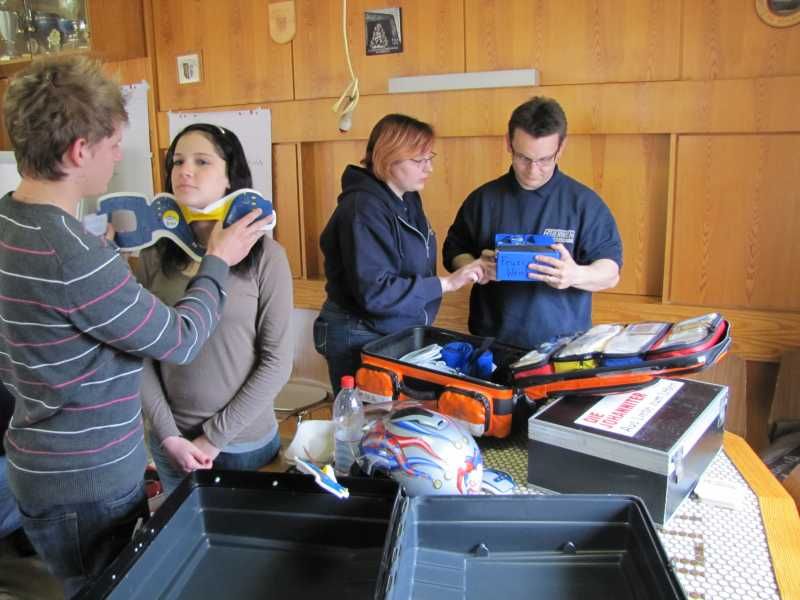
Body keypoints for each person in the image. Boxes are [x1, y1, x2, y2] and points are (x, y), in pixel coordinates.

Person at [0, 55, 265, 597]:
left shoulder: (12, 219)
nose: (120, 155)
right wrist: (217, 260)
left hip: (39, 466)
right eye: (115, 144)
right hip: (87, 483)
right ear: (80, 151)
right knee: (106, 587)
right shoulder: (75, 256)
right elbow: (181, 339)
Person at [133, 124, 293, 494]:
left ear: (229, 179)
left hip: (241, 445)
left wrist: (213, 438)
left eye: (202, 161)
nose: (184, 171)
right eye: (177, 161)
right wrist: (169, 436)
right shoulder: (153, 255)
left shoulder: (266, 256)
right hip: (172, 444)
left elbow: (277, 362)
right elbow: (140, 353)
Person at [314, 114, 485, 394]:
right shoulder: (362, 209)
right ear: (387, 158)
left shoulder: (406, 198)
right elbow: (376, 293)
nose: (428, 168)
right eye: (418, 161)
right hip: (359, 332)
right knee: (363, 426)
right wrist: (447, 283)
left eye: (430, 158)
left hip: (390, 329)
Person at [442, 96, 623, 349]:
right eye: (523, 158)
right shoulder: (483, 199)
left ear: (561, 148)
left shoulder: (584, 203)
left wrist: (575, 275)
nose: (532, 170)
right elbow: (454, 251)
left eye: (545, 160)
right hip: (490, 342)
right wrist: (476, 268)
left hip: (563, 346)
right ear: (509, 143)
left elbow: (610, 272)